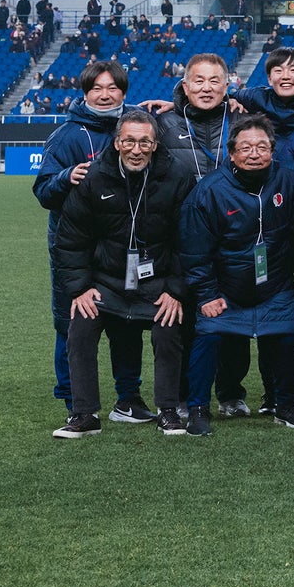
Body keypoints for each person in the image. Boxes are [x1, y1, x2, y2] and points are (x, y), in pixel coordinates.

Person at [52, 110, 194, 437]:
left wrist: (175, 290)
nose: (136, 150)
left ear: (155, 145)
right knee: (81, 326)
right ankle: (84, 414)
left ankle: (169, 411)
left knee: (169, 326)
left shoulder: (178, 176)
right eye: (129, 141)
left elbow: (189, 240)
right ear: (117, 143)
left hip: (158, 280)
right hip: (106, 282)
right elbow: (71, 239)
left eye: (145, 142)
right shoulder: (93, 177)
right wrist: (80, 288)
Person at [178, 118, 294, 436]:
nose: (254, 153)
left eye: (261, 147)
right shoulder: (208, 192)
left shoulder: (289, 177)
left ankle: (286, 405)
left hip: (275, 286)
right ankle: (198, 409)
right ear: (231, 153)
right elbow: (194, 252)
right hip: (224, 290)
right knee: (208, 337)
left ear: (272, 150)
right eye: (245, 147)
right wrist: (207, 295)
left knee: (287, 337)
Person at [34, 59, 140, 414]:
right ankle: (75, 403)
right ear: (85, 93)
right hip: (75, 249)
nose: (105, 95)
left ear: (123, 92)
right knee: (71, 323)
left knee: (126, 322)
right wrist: (65, 177)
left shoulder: (138, 126)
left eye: (112, 88)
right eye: (97, 88)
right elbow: (43, 192)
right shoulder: (66, 135)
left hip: (125, 246)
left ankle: (128, 400)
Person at [154, 52, 236, 187]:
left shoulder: (243, 122)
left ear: (225, 87)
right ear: (185, 87)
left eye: (214, 81)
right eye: (199, 81)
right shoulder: (165, 124)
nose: (206, 88)